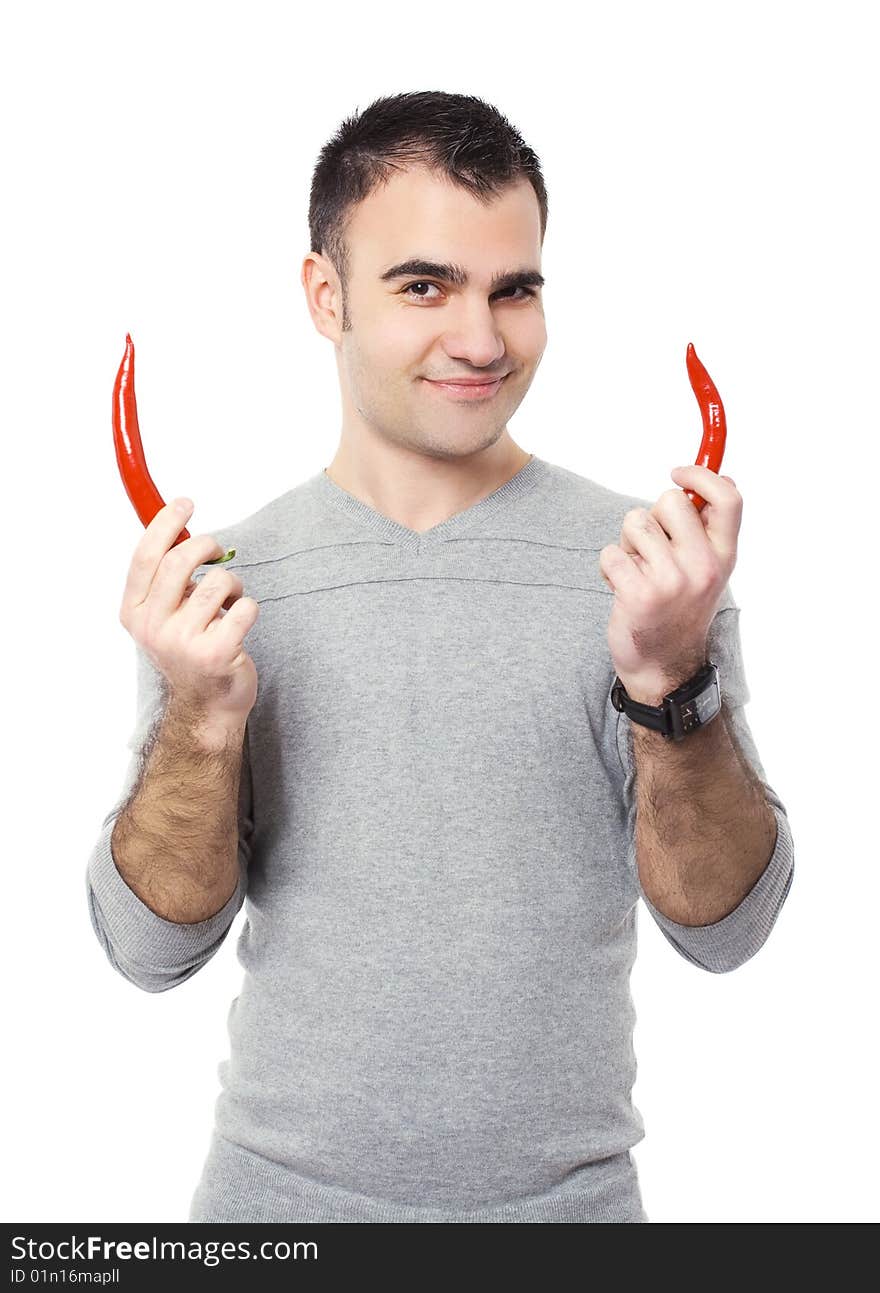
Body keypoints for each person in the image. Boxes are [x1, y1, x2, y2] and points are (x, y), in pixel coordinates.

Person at [85, 90, 795, 1224]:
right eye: (425, 286)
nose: (481, 339)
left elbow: (727, 931)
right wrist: (201, 717)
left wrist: (671, 681)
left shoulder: (649, 570)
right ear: (327, 298)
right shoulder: (226, 582)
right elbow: (147, 950)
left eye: (514, 290)